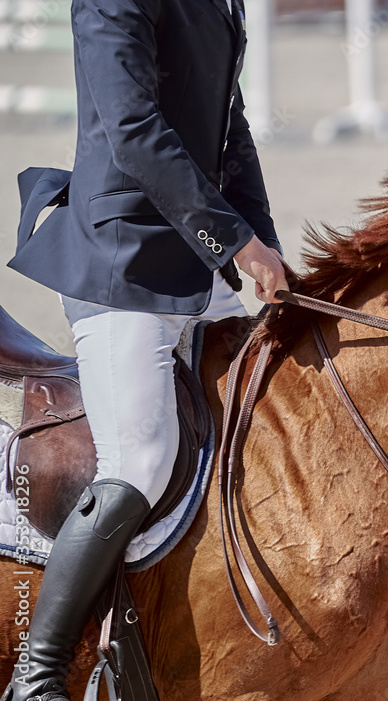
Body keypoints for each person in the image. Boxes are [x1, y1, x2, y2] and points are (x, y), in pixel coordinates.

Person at [3, 0, 289, 697]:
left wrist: (267, 244)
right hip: (121, 262)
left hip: (196, 261)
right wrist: (237, 241)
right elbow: (134, 132)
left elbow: (231, 131)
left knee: (273, 400)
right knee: (143, 457)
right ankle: (39, 672)